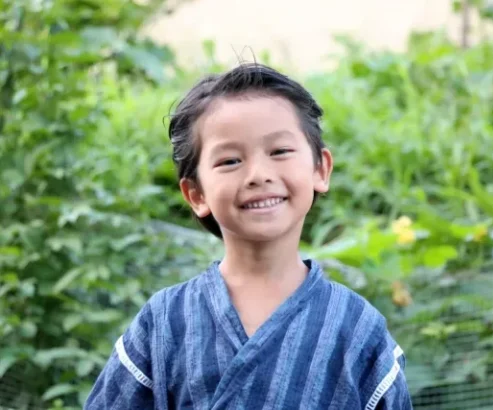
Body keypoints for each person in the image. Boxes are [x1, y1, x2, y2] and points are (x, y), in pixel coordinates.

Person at [84, 63, 413, 409]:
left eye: (279, 151)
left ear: (320, 169)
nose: (258, 174)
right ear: (196, 194)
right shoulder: (166, 320)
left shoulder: (358, 328)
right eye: (230, 161)